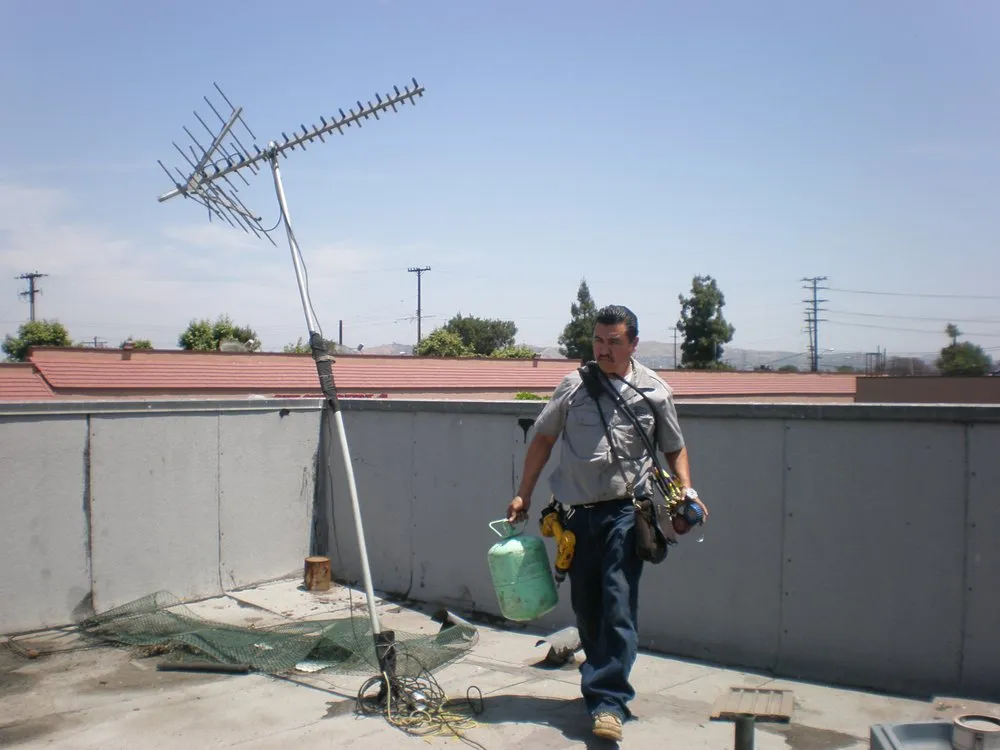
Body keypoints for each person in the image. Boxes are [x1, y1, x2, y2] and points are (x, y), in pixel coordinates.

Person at [506, 304, 708, 743]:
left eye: (614, 341)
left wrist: (686, 490)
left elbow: (674, 448)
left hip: (625, 513)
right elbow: (543, 439)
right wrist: (524, 492)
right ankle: (600, 682)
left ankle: (609, 700)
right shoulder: (573, 386)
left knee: (618, 603)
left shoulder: (655, 391)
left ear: (633, 343)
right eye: (598, 340)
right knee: (588, 608)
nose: (604, 349)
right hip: (576, 518)